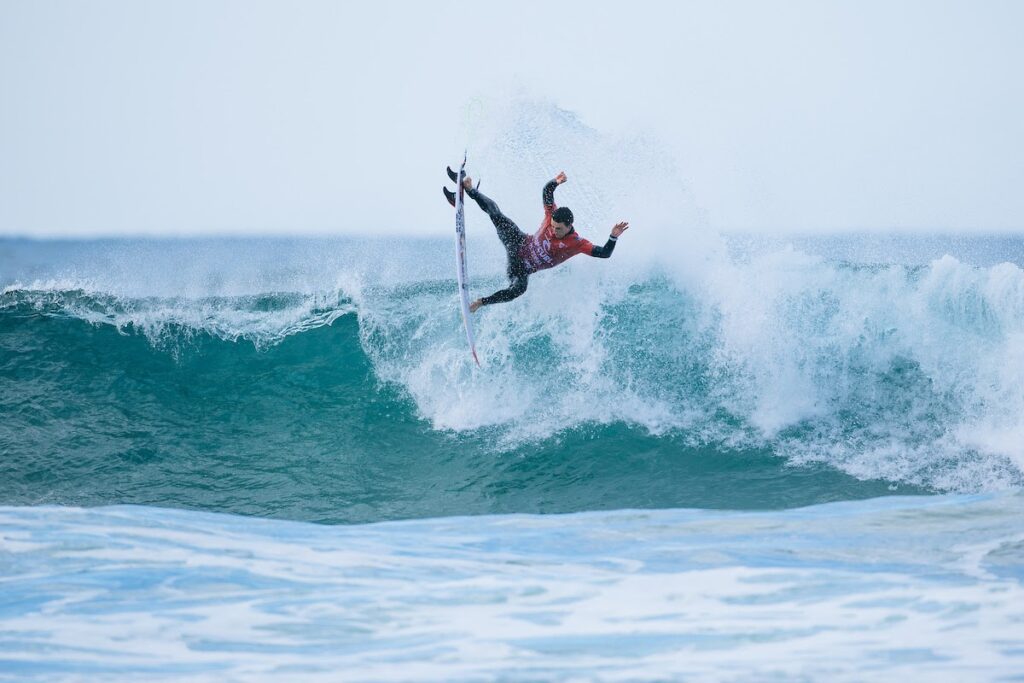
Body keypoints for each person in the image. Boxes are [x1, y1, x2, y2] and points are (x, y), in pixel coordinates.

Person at [462, 171, 629, 312]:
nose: (554, 231)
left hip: (520, 268)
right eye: (553, 226)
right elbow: (547, 192)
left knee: (518, 290)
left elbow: (604, 253)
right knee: (497, 214)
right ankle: (470, 190)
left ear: (569, 226)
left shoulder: (577, 243)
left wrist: (613, 237)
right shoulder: (551, 214)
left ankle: (480, 303)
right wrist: (556, 182)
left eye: (558, 229)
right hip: (518, 242)